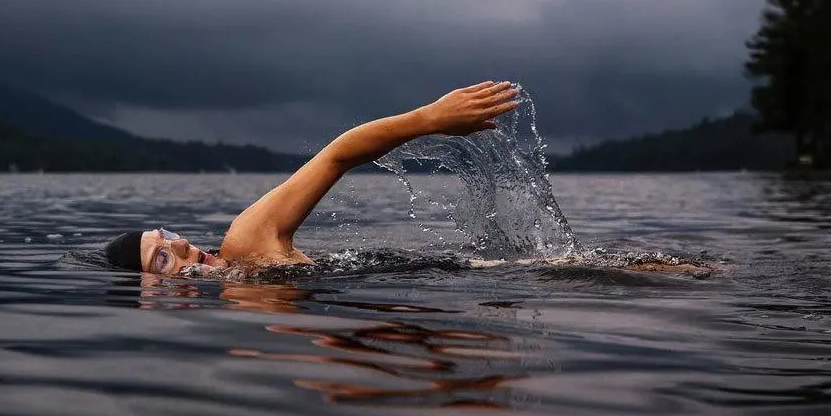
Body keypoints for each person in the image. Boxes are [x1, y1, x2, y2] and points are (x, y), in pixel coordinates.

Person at [106, 80, 521, 275]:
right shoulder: (242, 302)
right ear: (151, 294)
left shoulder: (246, 242)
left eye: (167, 235)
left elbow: (336, 157)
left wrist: (428, 119)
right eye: (162, 257)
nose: (180, 243)